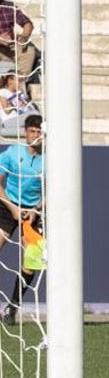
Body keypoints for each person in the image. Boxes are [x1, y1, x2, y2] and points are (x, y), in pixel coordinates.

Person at [0, 115, 42, 324]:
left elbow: (53, 190)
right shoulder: (12, 153)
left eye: (39, 132)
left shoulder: (50, 159)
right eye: (32, 131)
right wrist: (12, 207)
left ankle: (13, 306)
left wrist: (35, 209)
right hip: (8, 205)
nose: (36, 135)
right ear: (25, 132)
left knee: (33, 259)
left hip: (34, 211)